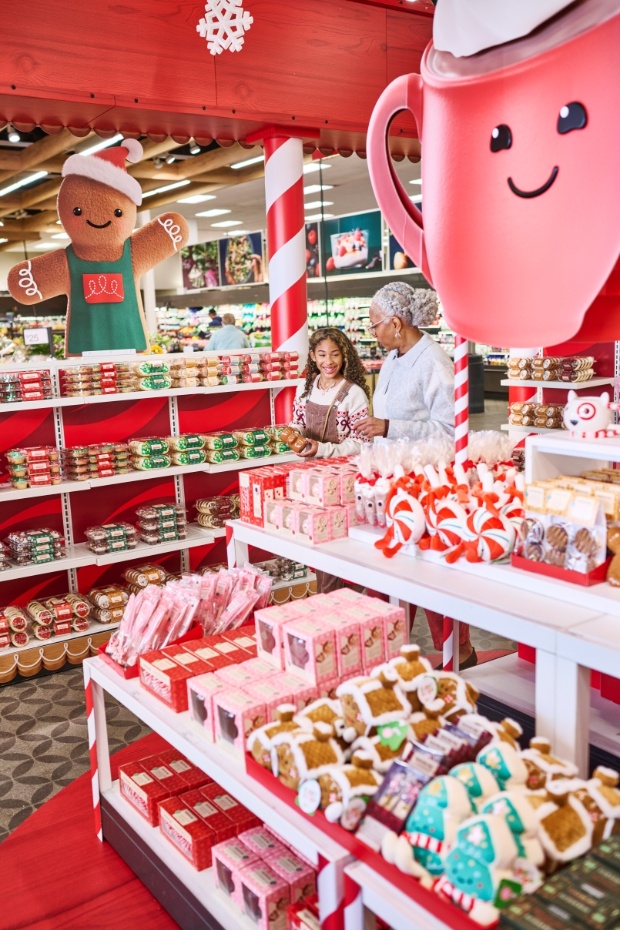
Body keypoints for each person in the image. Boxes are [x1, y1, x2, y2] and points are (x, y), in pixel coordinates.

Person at [356, 282, 476, 669]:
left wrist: (388, 427)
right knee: (393, 570)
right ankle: (391, 652)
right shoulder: (394, 357)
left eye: (374, 324)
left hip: (427, 485)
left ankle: (460, 652)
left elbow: (450, 430)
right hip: (391, 479)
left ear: (395, 322)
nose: (370, 332)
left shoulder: (434, 362)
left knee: (429, 575)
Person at [291, 327, 370, 459]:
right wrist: (295, 431)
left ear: (343, 355)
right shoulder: (304, 387)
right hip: (310, 468)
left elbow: (361, 444)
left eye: (335, 354)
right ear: (313, 356)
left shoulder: (354, 394)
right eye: (322, 355)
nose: (328, 361)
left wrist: (322, 449)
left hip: (343, 471)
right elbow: (299, 422)